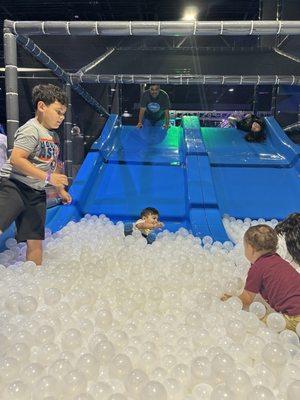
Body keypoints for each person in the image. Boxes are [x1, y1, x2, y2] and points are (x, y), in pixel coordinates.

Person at [0, 84, 72, 266]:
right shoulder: (31, 129)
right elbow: (16, 158)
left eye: (63, 114)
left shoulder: (53, 137)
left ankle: (34, 277)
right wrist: (48, 178)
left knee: (36, 239)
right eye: (58, 112)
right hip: (14, 185)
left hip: (36, 191)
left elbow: (52, 165)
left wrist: (60, 190)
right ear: (42, 106)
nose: (61, 118)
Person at [222, 225, 300, 331]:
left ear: (251, 249)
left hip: (294, 317)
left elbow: (247, 299)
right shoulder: (280, 261)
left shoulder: (258, 268)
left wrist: (231, 299)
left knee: (257, 324)